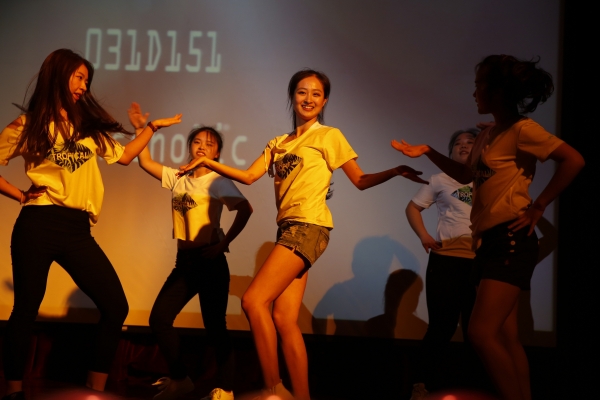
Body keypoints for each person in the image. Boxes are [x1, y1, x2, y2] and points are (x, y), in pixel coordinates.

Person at [177, 69, 426, 400]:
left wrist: (394, 171)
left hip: (309, 226)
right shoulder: (278, 143)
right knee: (283, 318)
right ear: (292, 96)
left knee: (253, 300)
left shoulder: (329, 136)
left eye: (316, 94)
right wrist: (209, 162)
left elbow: (360, 179)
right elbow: (249, 177)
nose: (308, 99)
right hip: (289, 228)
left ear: (324, 101)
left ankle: (273, 388)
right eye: (302, 92)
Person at [392, 55, 585, 400]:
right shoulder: (487, 134)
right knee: (506, 337)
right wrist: (428, 151)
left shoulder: (523, 130)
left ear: (498, 91)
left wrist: (539, 205)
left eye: (479, 85)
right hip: (487, 243)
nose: (474, 92)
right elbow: (464, 174)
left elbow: (574, 159)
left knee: (481, 333)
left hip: (511, 238)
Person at [0, 49, 182, 400]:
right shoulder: (29, 124)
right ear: (59, 75)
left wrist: (151, 128)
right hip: (38, 223)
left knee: (116, 306)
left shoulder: (86, 127)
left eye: (87, 80)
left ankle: (93, 392)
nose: (84, 86)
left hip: (76, 229)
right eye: (79, 77)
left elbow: (125, 156)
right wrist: (20, 195)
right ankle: (13, 393)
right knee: (25, 308)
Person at [128, 103, 253, 400]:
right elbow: (144, 162)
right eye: (197, 142)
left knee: (215, 327)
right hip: (184, 262)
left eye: (209, 144)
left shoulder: (218, 181)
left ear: (217, 153)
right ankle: (180, 379)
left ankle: (226, 389)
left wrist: (223, 243)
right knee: (159, 319)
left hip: (210, 261)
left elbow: (245, 209)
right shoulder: (179, 177)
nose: (202, 147)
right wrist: (141, 129)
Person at [406, 128, 478, 400]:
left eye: (470, 142)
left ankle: (474, 389)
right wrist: (424, 236)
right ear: (449, 153)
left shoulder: (489, 179)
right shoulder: (439, 179)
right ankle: (421, 385)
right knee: (441, 327)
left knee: (476, 331)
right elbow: (413, 207)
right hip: (446, 261)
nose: (463, 146)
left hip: (480, 263)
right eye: (458, 143)